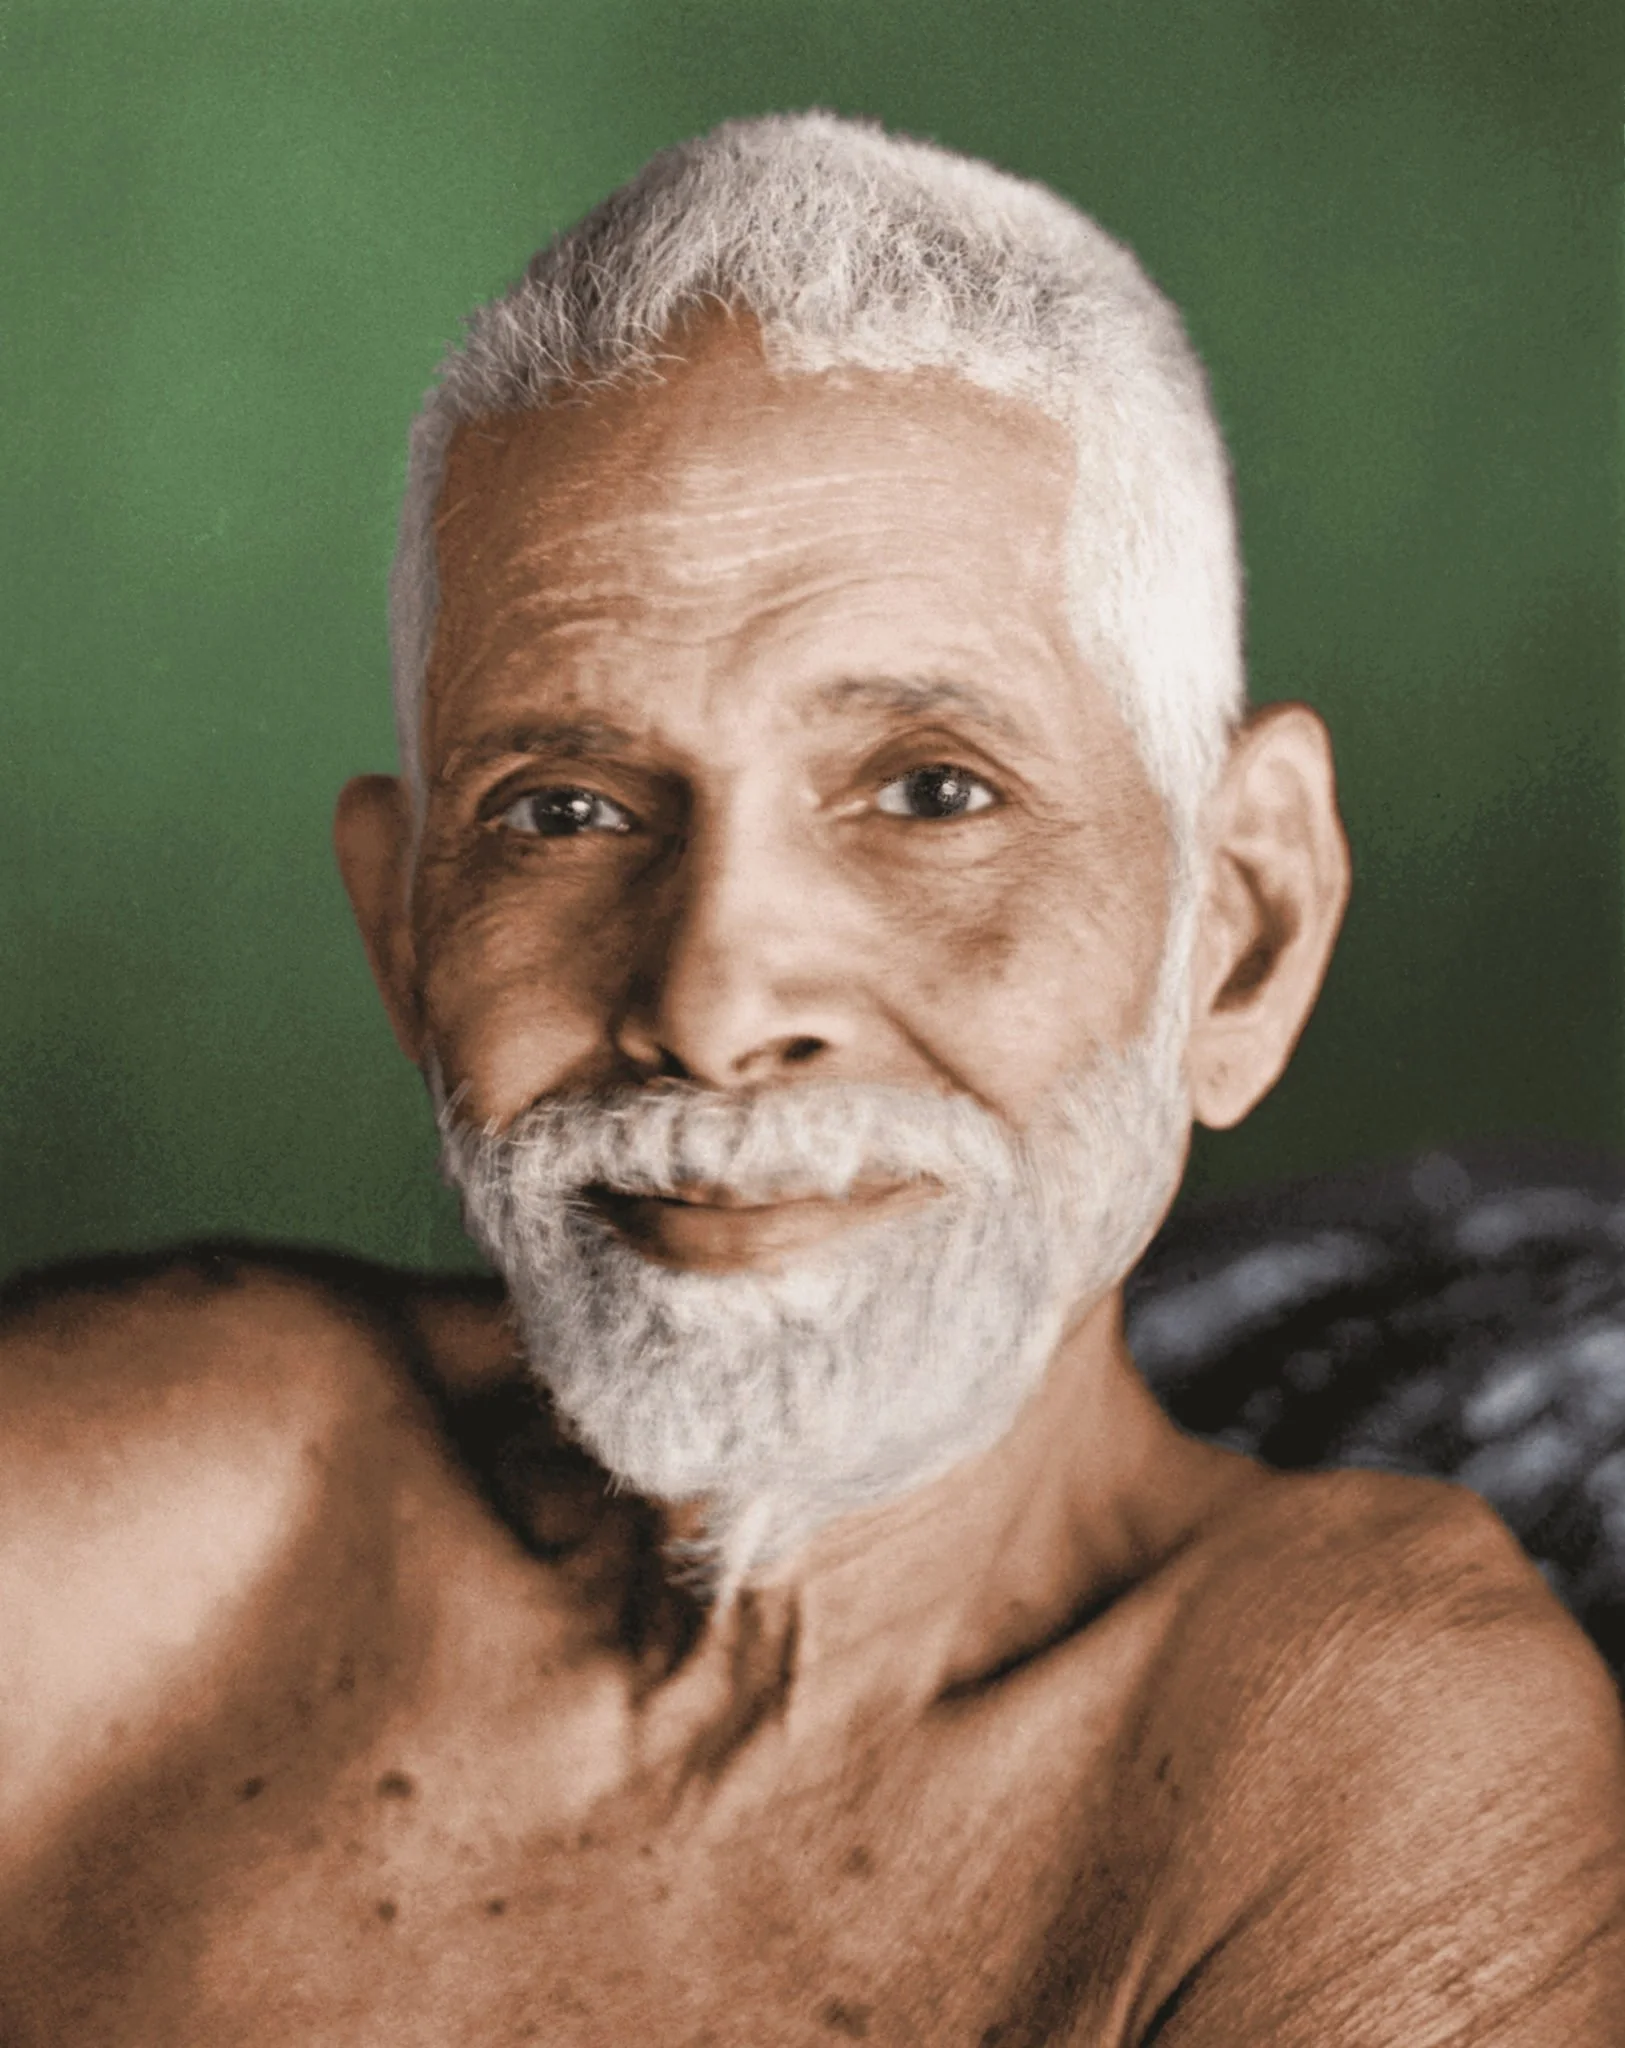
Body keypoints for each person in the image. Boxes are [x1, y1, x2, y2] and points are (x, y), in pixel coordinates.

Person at [2, 112, 1620, 2047]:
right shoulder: (132, 1510)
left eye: (931, 792)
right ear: (406, 940)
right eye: (567, 808)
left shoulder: (1352, 1755)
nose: (711, 998)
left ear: (1241, 933)